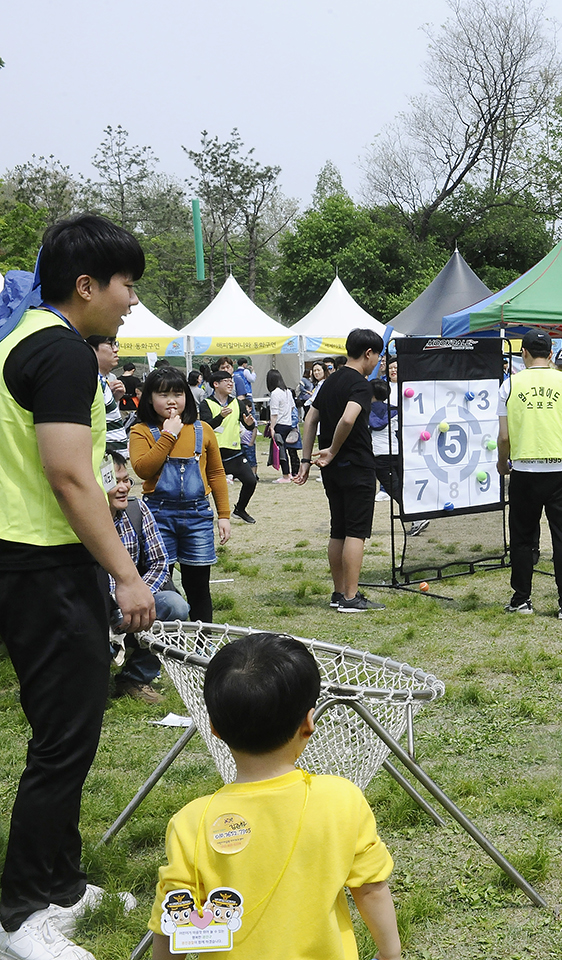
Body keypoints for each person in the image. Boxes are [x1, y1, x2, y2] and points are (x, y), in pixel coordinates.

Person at [0, 214, 156, 960]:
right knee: (63, 742)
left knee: (69, 731)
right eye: (126, 285)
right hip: (45, 563)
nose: (131, 300)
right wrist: (125, 574)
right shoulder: (61, 353)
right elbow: (65, 472)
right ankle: (22, 911)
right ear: (85, 286)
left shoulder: (20, 341)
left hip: (30, 559)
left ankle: (61, 884)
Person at [149, 632, 399, 960]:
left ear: (214, 728)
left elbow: (174, 920)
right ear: (309, 723)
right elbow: (370, 888)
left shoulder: (190, 823)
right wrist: (390, 954)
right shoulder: (342, 799)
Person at [498, 330, 562, 618]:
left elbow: (503, 437)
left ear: (523, 353)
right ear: (551, 355)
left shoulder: (510, 385)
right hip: (560, 468)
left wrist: (503, 463)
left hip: (524, 469)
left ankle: (522, 599)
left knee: (523, 538)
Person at [131, 366, 231, 624]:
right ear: (150, 399)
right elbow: (143, 469)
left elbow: (216, 473)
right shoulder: (141, 430)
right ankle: (165, 644)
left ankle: (202, 645)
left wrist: (224, 515)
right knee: (160, 585)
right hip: (157, 516)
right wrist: (168, 435)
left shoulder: (202, 429)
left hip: (197, 514)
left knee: (198, 587)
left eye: (178, 393)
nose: (172, 400)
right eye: (163, 394)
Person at [297, 329, 386, 613]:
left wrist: (306, 459)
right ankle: (350, 597)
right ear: (368, 353)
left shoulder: (330, 380)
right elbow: (349, 418)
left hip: (330, 468)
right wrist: (334, 448)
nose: (378, 363)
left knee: (339, 529)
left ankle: (338, 593)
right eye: (378, 356)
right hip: (355, 463)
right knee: (356, 532)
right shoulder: (361, 384)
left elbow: (310, 419)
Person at [107, 452, 189, 704]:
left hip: (134, 602)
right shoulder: (77, 519)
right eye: (115, 482)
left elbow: (160, 562)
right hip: (96, 607)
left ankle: (135, 678)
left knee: (175, 605)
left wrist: (138, 597)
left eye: (126, 480)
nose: (123, 488)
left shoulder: (137, 509)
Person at [204, 369, 258, 524]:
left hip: (234, 453)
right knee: (205, 487)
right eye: (226, 381)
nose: (230, 383)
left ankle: (240, 509)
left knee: (250, 481)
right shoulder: (206, 403)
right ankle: (205, 513)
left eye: (231, 381)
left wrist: (250, 425)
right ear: (216, 384)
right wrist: (220, 417)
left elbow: (247, 425)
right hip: (213, 454)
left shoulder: (237, 403)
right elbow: (206, 426)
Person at [87, 334, 129, 455]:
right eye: (110, 344)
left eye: (115, 343)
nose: (116, 349)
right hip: (104, 458)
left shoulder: (104, 380)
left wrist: (114, 399)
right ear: (91, 348)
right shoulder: (90, 381)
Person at [266, 369, 301, 480]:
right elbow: (292, 407)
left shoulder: (275, 393)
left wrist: (272, 427)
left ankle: (286, 475)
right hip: (288, 423)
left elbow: (274, 413)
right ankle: (293, 472)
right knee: (290, 449)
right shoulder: (287, 392)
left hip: (279, 424)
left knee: (280, 450)